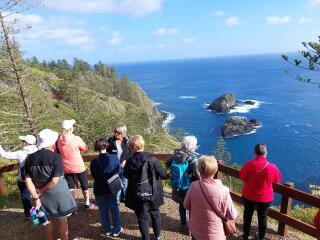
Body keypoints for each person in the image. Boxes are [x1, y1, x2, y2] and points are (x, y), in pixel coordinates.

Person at [24, 129, 77, 240]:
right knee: (62, 220)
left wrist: (36, 195)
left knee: (46, 221)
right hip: (58, 194)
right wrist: (41, 191)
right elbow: (54, 180)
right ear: (52, 143)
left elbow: (28, 180)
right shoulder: (56, 157)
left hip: (41, 196)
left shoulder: (30, 158)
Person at [123, 135, 168, 240]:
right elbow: (162, 175)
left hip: (137, 193)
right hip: (153, 193)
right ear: (142, 144)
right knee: (155, 213)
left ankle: (145, 238)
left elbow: (126, 175)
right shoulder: (152, 159)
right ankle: (157, 236)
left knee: (142, 217)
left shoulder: (129, 160)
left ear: (131, 147)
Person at [184, 155, 238, 240]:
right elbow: (233, 215)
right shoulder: (224, 191)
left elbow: (186, 205)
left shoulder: (193, 186)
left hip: (196, 231)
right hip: (215, 235)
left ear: (199, 170)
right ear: (215, 170)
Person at [240, 144, 282, 240]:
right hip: (265, 197)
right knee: (262, 217)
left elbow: (242, 176)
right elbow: (277, 179)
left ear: (255, 153)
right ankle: (261, 237)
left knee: (247, 215)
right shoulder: (272, 167)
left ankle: (245, 236)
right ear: (265, 153)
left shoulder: (249, 164)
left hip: (248, 195)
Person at [90, 138, 123, 237]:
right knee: (114, 208)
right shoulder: (114, 158)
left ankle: (107, 229)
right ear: (106, 146)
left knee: (103, 209)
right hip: (112, 187)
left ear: (96, 148)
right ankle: (116, 230)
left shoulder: (93, 162)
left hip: (99, 188)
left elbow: (94, 175)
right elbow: (119, 172)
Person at [166, 135, 200, 232]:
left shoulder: (175, 155)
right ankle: (191, 227)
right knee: (191, 208)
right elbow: (198, 177)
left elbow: (167, 164)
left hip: (177, 186)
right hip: (188, 187)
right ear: (192, 146)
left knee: (182, 205)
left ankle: (183, 224)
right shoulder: (192, 159)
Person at [0, 135, 38, 217]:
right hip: (36, 179)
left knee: (25, 196)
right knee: (37, 194)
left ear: (27, 143)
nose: (21, 143)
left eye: (23, 141)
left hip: (23, 179)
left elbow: (4, 155)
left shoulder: (20, 153)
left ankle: (28, 213)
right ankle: (38, 211)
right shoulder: (38, 151)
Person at [56, 119, 91, 208]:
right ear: (71, 129)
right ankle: (87, 202)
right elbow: (85, 148)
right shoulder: (76, 139)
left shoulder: (59, 140)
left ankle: (73, 205)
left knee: (71, 186)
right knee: (84, 185)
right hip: (78, 166)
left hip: (66, 167)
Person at [107, 123, 130, 202]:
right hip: (114, 166)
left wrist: (125, 160)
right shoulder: (110, 140)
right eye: (115, 132)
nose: (116, 134)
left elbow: (130, 152)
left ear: (123, 133)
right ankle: (116, 198)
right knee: (115, 181)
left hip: (124, 166)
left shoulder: (127, 141)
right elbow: (107, 153)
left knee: (125, 181)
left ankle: (124, 197)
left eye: (118, 133)